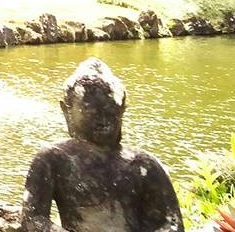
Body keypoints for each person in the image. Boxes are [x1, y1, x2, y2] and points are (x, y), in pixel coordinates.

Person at [20, 58, 182, 232]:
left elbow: (171, 223)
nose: (103, 120)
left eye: (111, 111)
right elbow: (32, 218)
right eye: (92, 111)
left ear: (122, 111)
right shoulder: (53, 158)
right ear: (67, 110)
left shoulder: (143, 163)